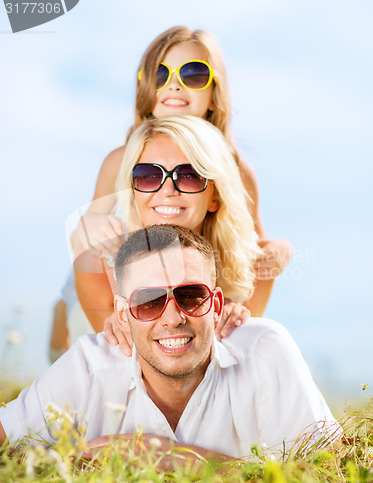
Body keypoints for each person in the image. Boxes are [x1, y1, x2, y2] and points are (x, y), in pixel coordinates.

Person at [0, 225, 339, 464]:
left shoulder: (265, 350)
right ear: (122, 315)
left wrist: (174, 457)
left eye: (191, 296)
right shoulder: (90, 367)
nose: (173, 318)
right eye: (148, 301)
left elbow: (332, 474)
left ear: (217, 305)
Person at [69, 27, 292, 334]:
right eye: (160, 75)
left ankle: (228, 341)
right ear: (145, 91)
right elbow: (84, 237)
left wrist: (280, 252)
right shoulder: (121, 160)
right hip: (119, 282)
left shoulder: (236, 171)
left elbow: (254, 251)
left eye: (194, 74)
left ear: (215, 94)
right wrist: (88, 224)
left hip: (196, 284)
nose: (174, 85)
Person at [74, 115, 263, 353]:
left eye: (189, 175)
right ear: (133, 193)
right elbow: (125, 361)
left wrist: (239, 323)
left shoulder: (252, 268)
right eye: (149, 175)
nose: (167, 190)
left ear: (215, 196)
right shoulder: (96, 260)